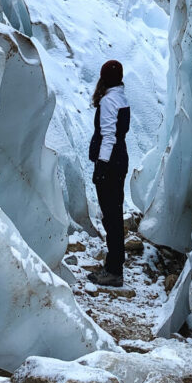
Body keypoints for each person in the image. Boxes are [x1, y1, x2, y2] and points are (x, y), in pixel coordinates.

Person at [88, 59, 130, 288]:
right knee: (115, 213)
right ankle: (115, 265)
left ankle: (114, 271)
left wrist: (101, 166)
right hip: (120, 159)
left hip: (111, 162)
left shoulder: (108, 100)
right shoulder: (121, 97)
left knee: (110, 215)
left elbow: (108, 136)